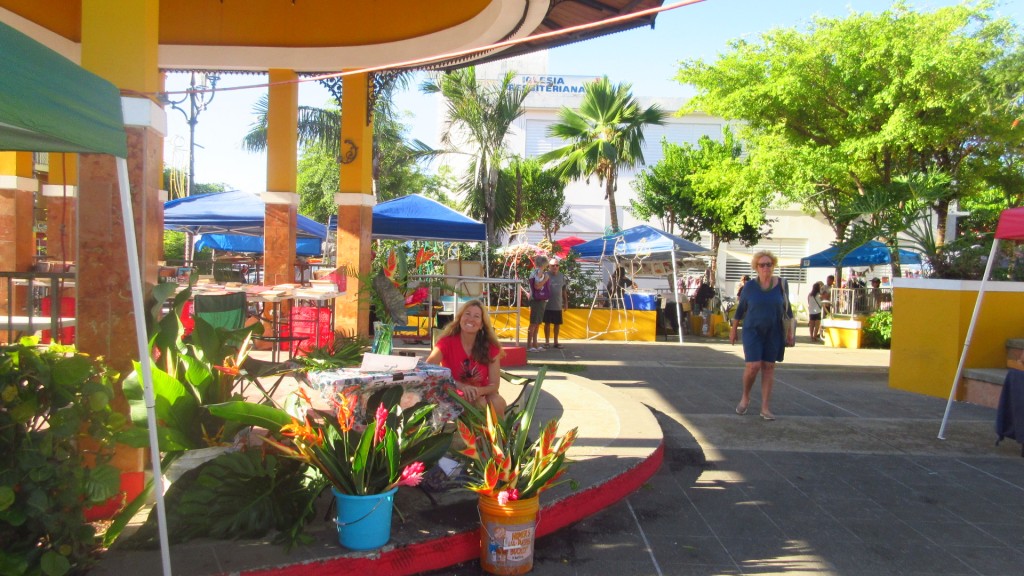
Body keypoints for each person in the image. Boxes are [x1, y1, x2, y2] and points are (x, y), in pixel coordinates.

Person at [729, 251, 794, 421]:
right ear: (756, 268)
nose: (766, 267)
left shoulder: (781, 284)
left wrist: (791, 333)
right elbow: (740, 309)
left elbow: (788, 310)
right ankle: (745, 396)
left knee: (768, 367)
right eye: (762, 265)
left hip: (774, 331)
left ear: (773, 266)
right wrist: (734, 329)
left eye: (769, 264)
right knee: (753, 366)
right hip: (752, 330)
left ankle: (765, 408)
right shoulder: (750, 286)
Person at [426, 299, 506, 415]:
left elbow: (494, 385)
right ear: (460, 319)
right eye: (467, 314)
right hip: (453, 393)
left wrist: (477, 391)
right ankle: (478, 433)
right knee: (480, 404)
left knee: (496, 401)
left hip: (481, 393)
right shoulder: (446, 343)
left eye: (476, 316)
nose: (471, 319)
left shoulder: (490, 347)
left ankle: (498, 433)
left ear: (481, 325)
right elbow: (429, 368)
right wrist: (460, 386)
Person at [543, 258, 569, 349]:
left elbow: (564, 290)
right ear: (549, 266)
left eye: (557, 265)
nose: (555, 267)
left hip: (557, 304)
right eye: (553, 265)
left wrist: (566, 302)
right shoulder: (545, 275)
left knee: (557, 324)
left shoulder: (561, 276)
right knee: (547, 323)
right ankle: (546, 342)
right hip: (547, 304)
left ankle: (556, 342)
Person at [526, 255, 550, 352]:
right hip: (538, 300)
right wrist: (545, 279)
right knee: (534, 323)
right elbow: (537, 286)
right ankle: (530, 345)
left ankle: (534, 344)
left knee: (536, 323)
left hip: (538, 299)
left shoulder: (535, 271)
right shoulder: (539, 272)